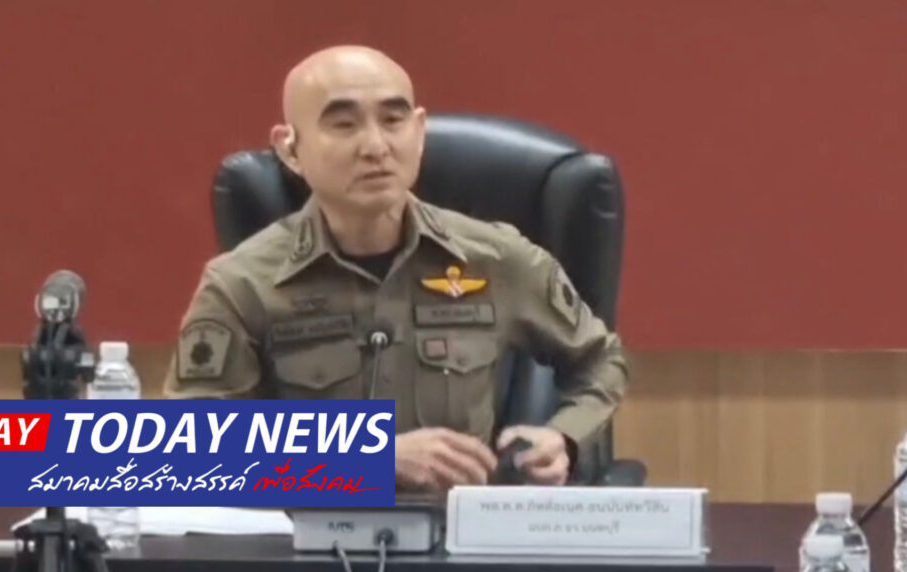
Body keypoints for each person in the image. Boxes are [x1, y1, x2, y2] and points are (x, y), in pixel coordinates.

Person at [163, 45, 629, 492]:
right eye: (344, 124)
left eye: (393, 120)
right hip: (314, 534)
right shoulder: (241, 283)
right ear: (289, 149)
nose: (375, 146)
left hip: (459, 532)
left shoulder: (496, 258)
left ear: (419, 132)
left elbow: (601, 361)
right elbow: (187, 451)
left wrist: (565, 437)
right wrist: (369, 459)